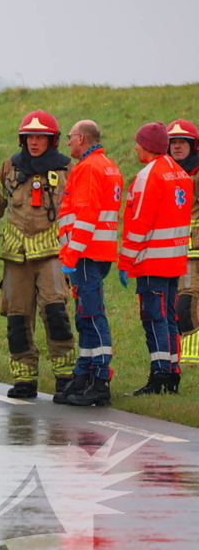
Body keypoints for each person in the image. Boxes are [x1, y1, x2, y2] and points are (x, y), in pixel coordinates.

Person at [0, 110, 75, 398]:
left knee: (55, 314)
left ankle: (65, 377)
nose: (34, 142)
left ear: (52, 140)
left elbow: (80, 209)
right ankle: (24, 379)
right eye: (29, 137)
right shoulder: (9, 167)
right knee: (17, 319)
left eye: (40, 137)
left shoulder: (68, 169)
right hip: (15, 256)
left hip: (52, 254)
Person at [115, 122, 192, 399]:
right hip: (174, 260)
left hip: (152, 261)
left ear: (146, 145)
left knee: (154, 318)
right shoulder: (179, 173)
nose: (135, 147)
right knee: (169, 319)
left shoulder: (149, 176)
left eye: (138, 142)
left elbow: (140, 223)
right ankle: (172, 373)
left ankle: (159, 374)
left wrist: (125, 261)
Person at [55, 120, 123, 404]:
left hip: (85, 253)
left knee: (92, 317)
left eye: (70, 137)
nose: (67, 142)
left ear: (81, 138)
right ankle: (84, 373)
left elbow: (86, 217)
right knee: (86, 316)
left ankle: (100, 380)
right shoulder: (108, 165)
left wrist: (70, 255)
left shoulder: (88, 168)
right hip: (98, 252)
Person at [166, 120, 199, 366]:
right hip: (169, 252)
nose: (177, 147)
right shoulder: (163, 173)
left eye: (182, 143)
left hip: (193, 251)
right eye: (173, 143)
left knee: (187, 303)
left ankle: (191, 358)